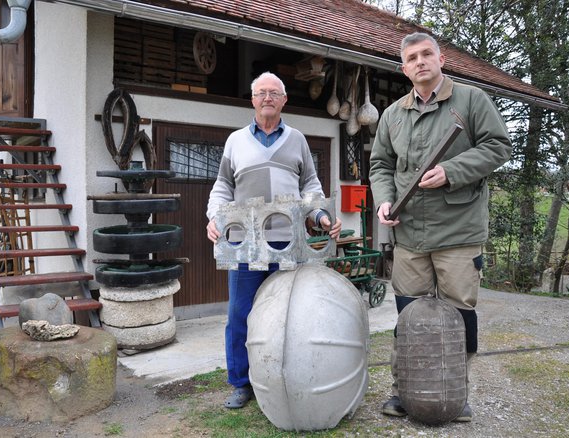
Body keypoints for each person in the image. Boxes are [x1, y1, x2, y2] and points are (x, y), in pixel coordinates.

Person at [369, 32, 512, 422]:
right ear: (404, 68)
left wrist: (451, 171)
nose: (420, 61)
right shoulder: (393, 114)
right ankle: (402, 392)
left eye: (426, 54)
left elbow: (499, 146)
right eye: (412, 57)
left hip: (458, 231)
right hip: (410, 232)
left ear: (441, 59)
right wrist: (383, 200)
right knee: (408, 314)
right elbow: (380, 164)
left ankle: (456, 393)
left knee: (458, 314)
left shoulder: (470, 101)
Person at [206, 72, 342, 409]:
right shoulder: (235, 141)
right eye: (261, 92)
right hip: (244, 243)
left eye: (274, 93)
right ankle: (240, 382)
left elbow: (310, 186)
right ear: (252, 99)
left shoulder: (297, 139)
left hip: (287, 243)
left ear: (284, 100)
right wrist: (214, 217)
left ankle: (286, 375)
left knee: (289, 314)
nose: (267, 97)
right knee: (241, 314)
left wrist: (321, 217)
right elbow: (223, 186)